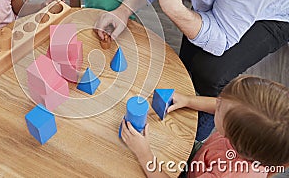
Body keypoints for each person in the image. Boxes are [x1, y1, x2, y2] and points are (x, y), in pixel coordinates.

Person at [94, 0, 289, 140]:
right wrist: (123, 11)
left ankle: (195, 136)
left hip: (272, 14)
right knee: (188, 59)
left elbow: (221, 39)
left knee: (211, 72)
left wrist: (172, 7)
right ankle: (183, 95)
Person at [121, 75, 289, 177]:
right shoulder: (250, 134)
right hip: (201, 159)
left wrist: (145, 155)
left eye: (220, 107)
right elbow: (221, 105)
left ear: (233, 135)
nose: (217, 102)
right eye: (221, 99)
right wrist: (188, 100)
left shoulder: (225, 174)